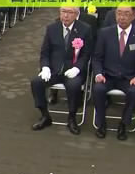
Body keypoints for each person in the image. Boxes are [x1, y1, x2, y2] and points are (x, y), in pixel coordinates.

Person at [92, 5, 135, 140]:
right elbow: (97, 58)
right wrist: (98, 73)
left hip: (128, 78)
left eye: (126, 14)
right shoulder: (105, 33)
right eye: (119, 13)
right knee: (98, 89)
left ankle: (124, 124)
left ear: (133, 15)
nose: (122, 17)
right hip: (107, 76)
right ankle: (101, 123)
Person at [30, 7, 92, 135]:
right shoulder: (52, 28)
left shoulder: (85, 29)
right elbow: (45, 52)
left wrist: (77, 68)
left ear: (76, 14)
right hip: (54, 69)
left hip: (73, 70)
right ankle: (45, 115)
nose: (66, 15)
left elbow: (87, 55)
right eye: (63, 12)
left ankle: (72, 118)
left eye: (69, 12)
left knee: (74, 86)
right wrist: (45, 67)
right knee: (36, 82)